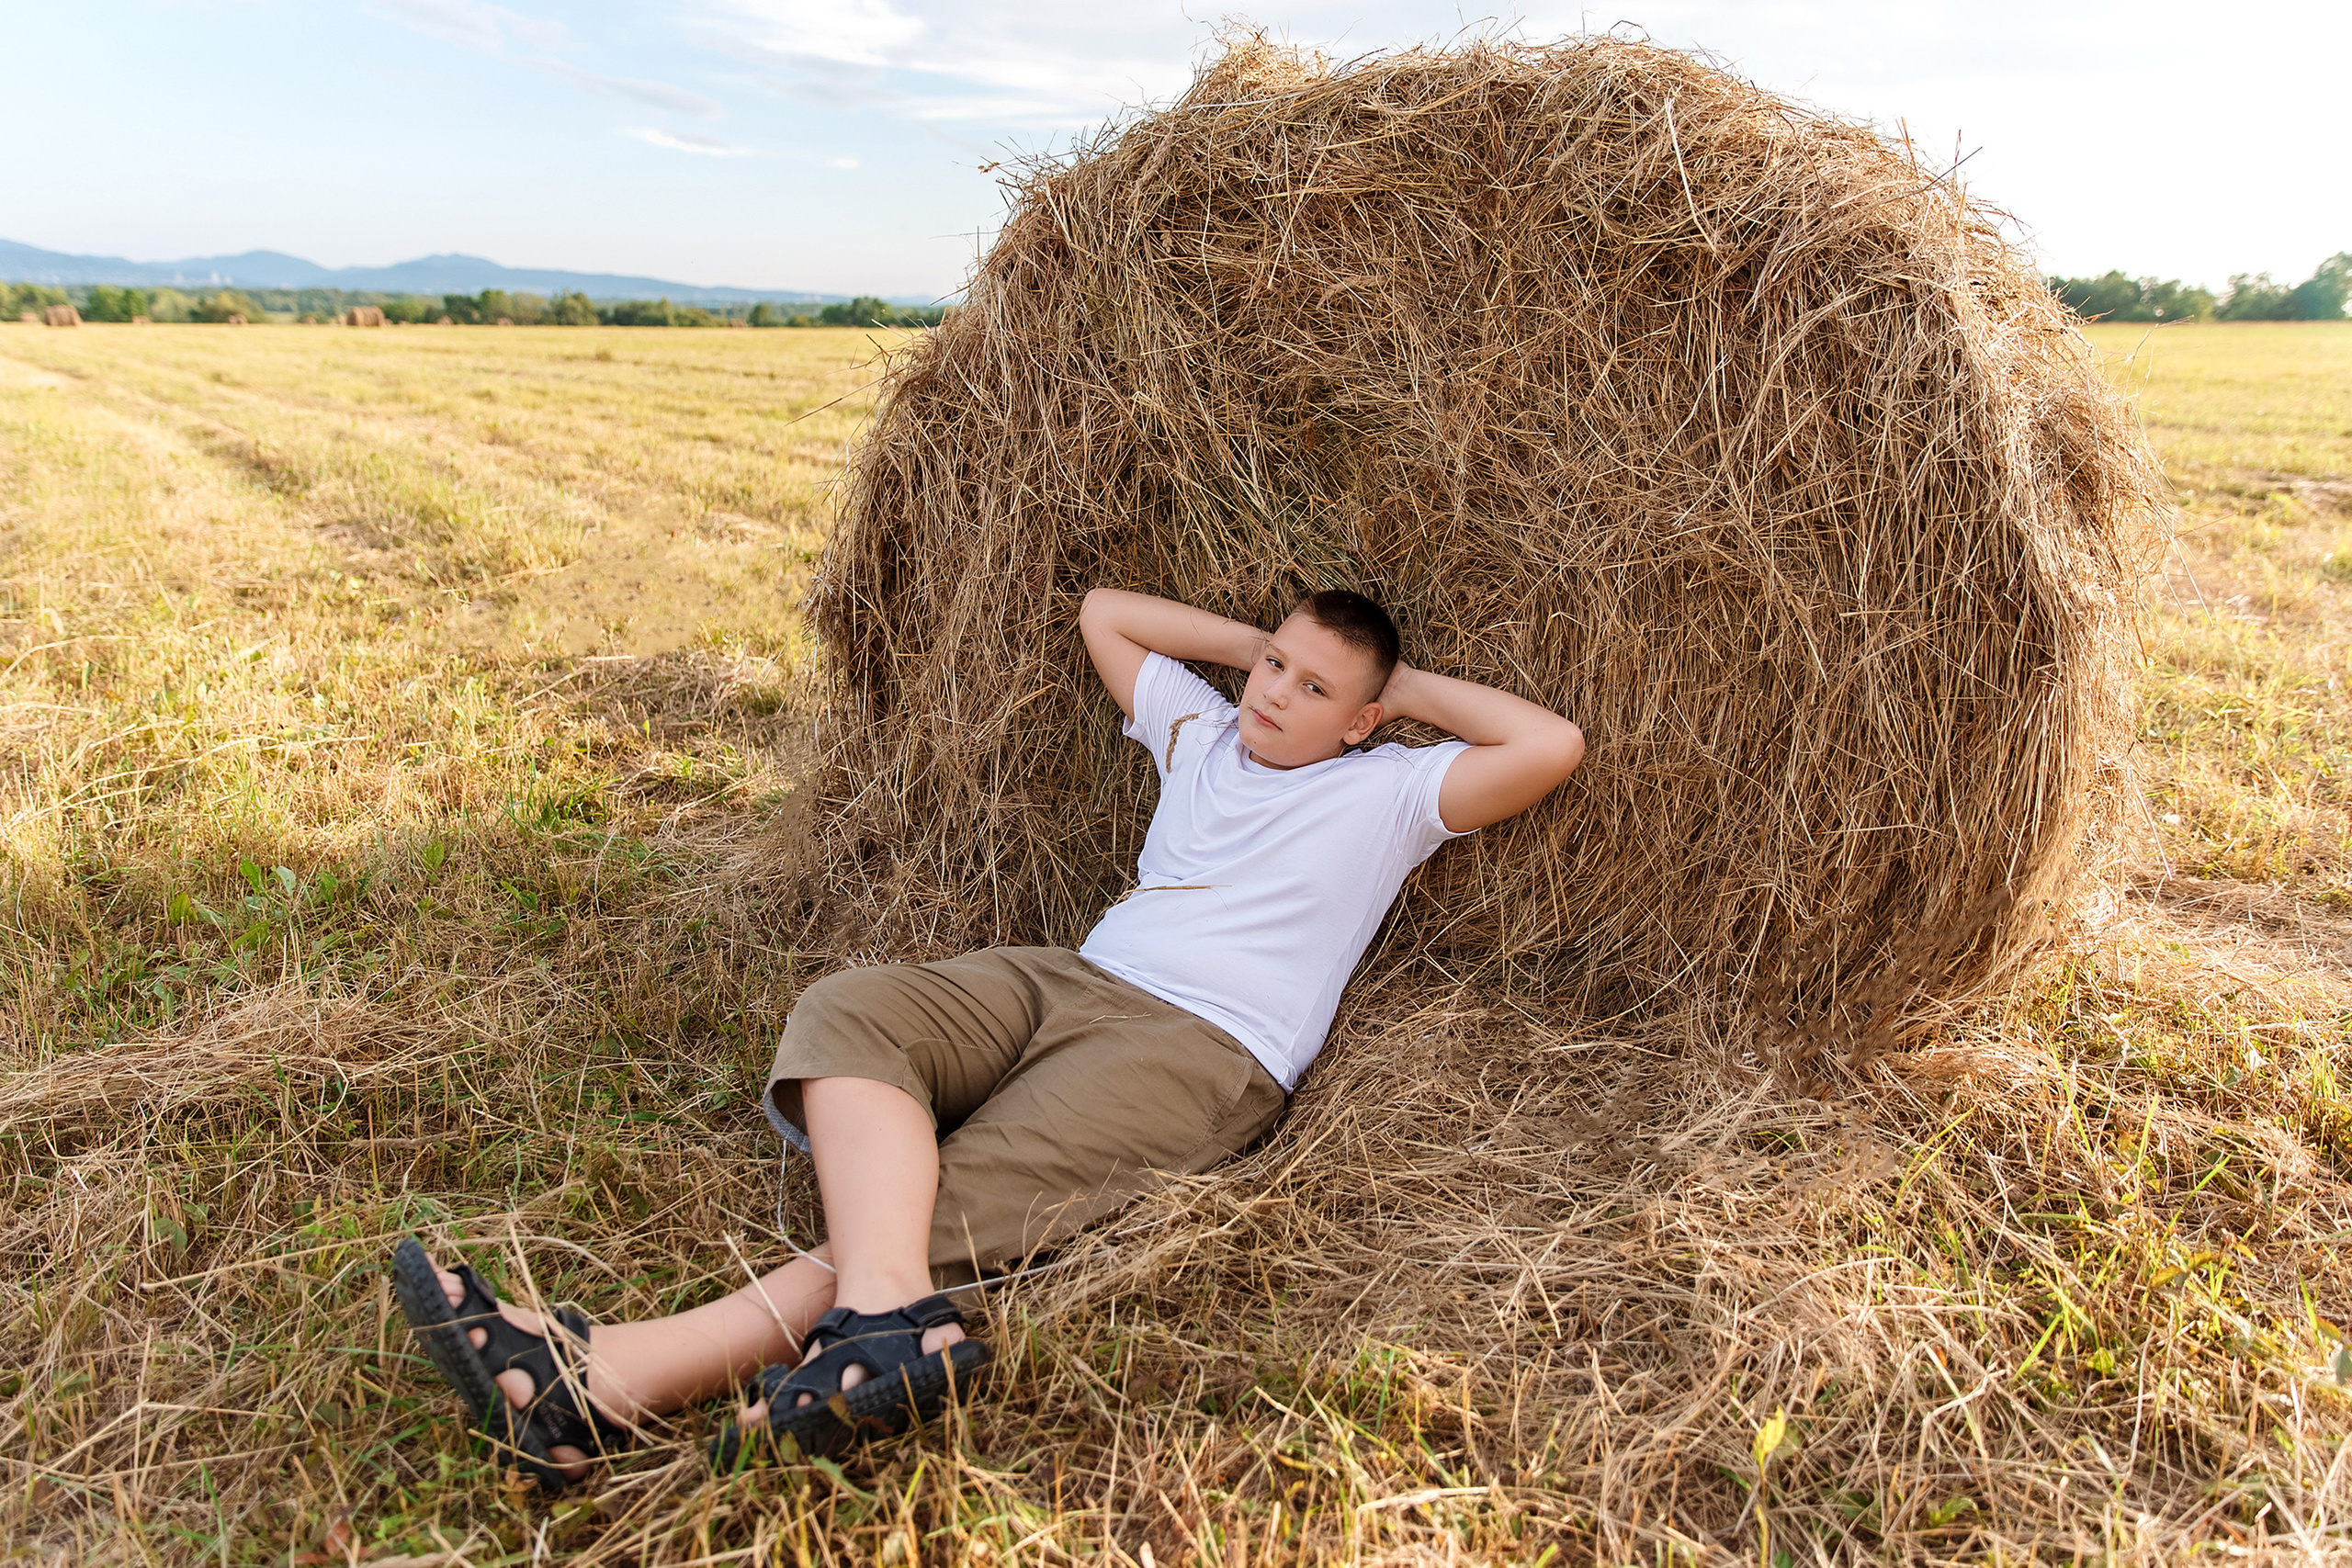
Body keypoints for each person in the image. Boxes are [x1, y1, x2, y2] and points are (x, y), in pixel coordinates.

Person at [390, 586, 1585, 1490]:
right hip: (1073, 979)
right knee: (851, 1012)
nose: (1275, 695)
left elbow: (1550, 745)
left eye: (1315, 692)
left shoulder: (1389, 795)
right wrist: (1270, 653)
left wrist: (1397, 691)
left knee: (936, 1203)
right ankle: (884, 1326)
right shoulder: (1199, 730)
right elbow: (1106, 613)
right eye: (1275, 666)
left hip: (1203, 1046)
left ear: (1366, 721)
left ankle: (599, 1381)